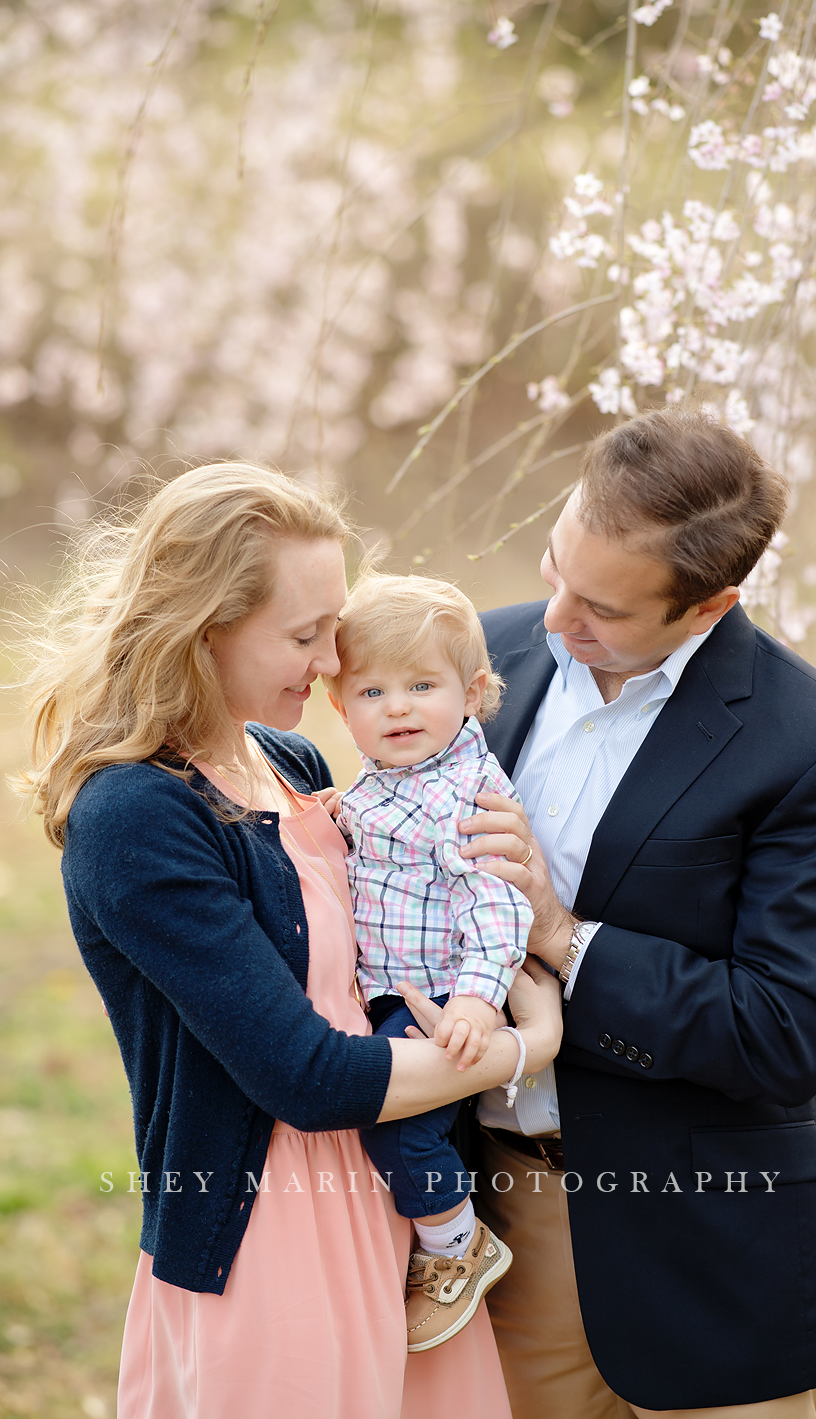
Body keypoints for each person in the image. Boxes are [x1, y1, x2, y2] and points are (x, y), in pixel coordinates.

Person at [20, 463, 561, 1419]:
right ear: (205, 626)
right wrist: (526, 1047)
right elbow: (306, 1078)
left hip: (408, 1205)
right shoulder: (136, 815)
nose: (330, 665)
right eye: (307, 636)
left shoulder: (294, 762)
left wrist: (507, 895)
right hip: (267, 1235)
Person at [453, 406, 816, 1419]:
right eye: (554, 566)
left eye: (603, 610)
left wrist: (561, 936)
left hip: (720, 1255)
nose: (556, 619)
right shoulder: (474, 670)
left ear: (708, 606)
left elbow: (788, 1031)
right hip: (504, 1223)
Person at [327, 573, 533, 1351]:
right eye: (372, 691)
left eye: (422, 685)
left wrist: (480, 1002)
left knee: (397, 1130)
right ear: (341, 707)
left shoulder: (464, 794)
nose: (398, 707)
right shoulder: (392, 780)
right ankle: (438, 1228)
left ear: (474, 691)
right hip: (395, 990)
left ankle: (456, 1247)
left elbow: (494, 901)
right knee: (412, 1132)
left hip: (443, 996)